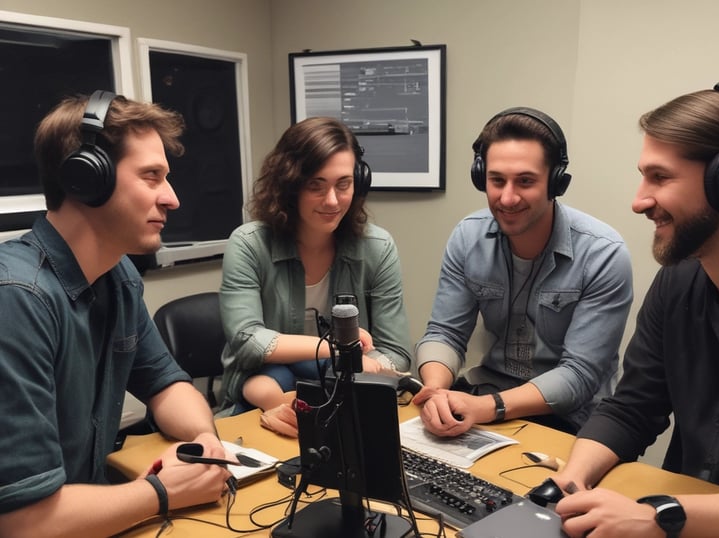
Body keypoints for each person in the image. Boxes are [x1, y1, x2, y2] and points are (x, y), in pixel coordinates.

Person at [0, 91, 233, 537]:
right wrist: (162, 492)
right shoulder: (17, 299)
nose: (172, 199)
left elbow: (166, 383)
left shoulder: (117, 277)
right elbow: (23, 523)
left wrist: (205, 440)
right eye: (151, 176)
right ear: (87, 179)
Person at [552, 80, 719, 538]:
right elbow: (634, 406)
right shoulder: (678, 281)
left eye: (660, 177)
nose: (638, 200)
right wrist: (570, 481)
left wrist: (660, 516)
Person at [412, 107, 633, 437]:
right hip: (483, 403)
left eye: (525, 181)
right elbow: (445, 333)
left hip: (570, 420)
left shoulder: (603, 253)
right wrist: (436, 391)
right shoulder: (467, 237)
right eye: (496, 180)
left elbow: (579, 373)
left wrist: (489, 407)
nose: (508, 197)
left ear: (556, 183)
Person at [218, 116, 411, 434]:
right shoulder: (249, 244)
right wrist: (338, 348)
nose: (333, 200)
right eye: (315, 185)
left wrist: (368, 366)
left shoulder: (378, 247)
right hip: (260, 398)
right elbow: (248, 342)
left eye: (343, 184)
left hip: (343, 398)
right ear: (290, 186)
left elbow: (397, 355)